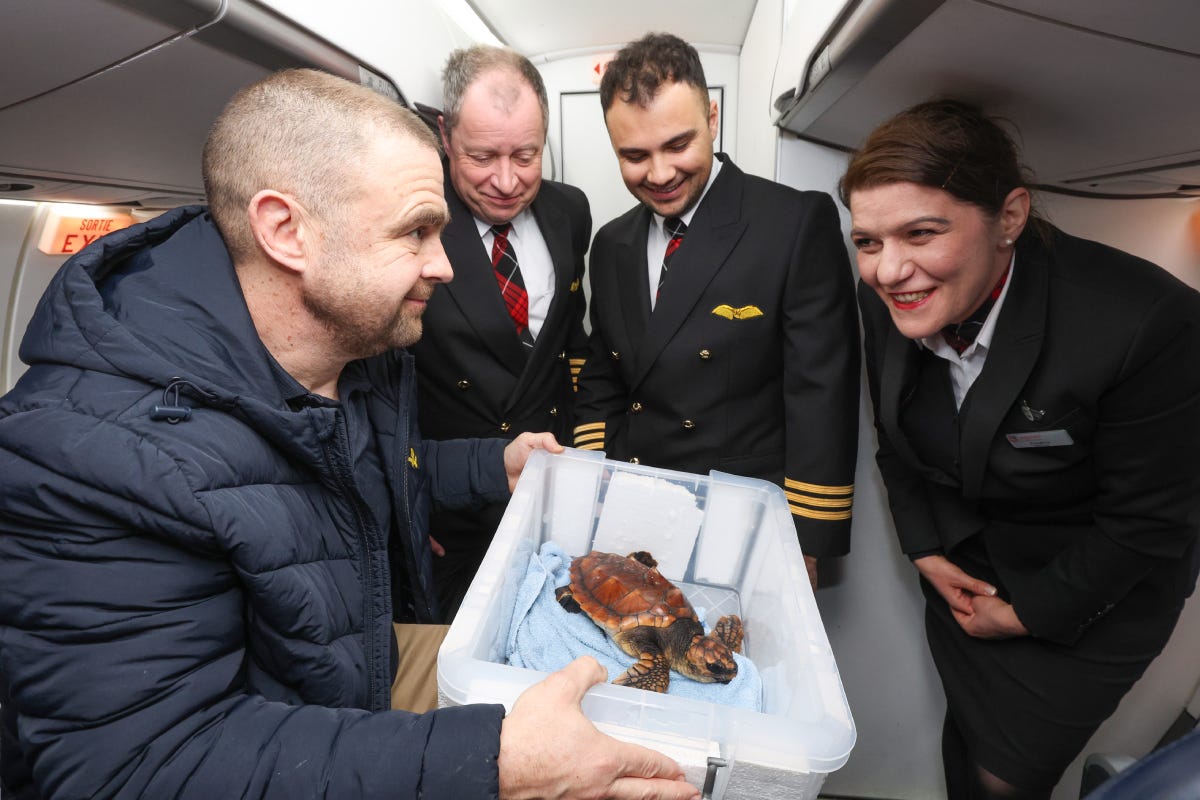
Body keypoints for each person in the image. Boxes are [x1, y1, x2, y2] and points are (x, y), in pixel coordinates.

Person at [0, 68, 701, 800]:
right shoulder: (90, 457)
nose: (444, 263)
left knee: (626, 719)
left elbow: (373, 473)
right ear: (286, 230)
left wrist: (496, 466)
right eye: (416, 232)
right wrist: (493, 764)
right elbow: (134, 770)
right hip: (253, 741)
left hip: (347, 671)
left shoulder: (351, 349)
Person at [842, 98, 1200, 799]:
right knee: (968, 746)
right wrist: (924, 548)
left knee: (1007, 777)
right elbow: (893, 433)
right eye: (868, 242)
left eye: (921, 232)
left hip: (1092, 595)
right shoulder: (894, 296)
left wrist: (1027, 614)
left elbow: (1149, 524)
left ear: (1009, 217)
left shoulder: (1147, 324)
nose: (888, 271)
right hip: (968, 572)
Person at [574, 32, 860, 584]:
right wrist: (592, 486)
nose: (658, 175)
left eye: (677, 145)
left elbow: (821, 395)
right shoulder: (611, 244)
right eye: (634, 156)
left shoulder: (793, 224)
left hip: (741, 517)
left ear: (712, 115)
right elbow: (603, 377)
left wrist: (806, 540)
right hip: (635, 510)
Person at [412, 45, 591, 621]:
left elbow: (564, 345)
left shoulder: (570, 212)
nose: (507, 181)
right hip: (447, 507)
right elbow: (374, 380)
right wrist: (403, 503)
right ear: (445, 136)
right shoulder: (411, 218)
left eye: (526, 154)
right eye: (483, 156)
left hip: (543, 491)